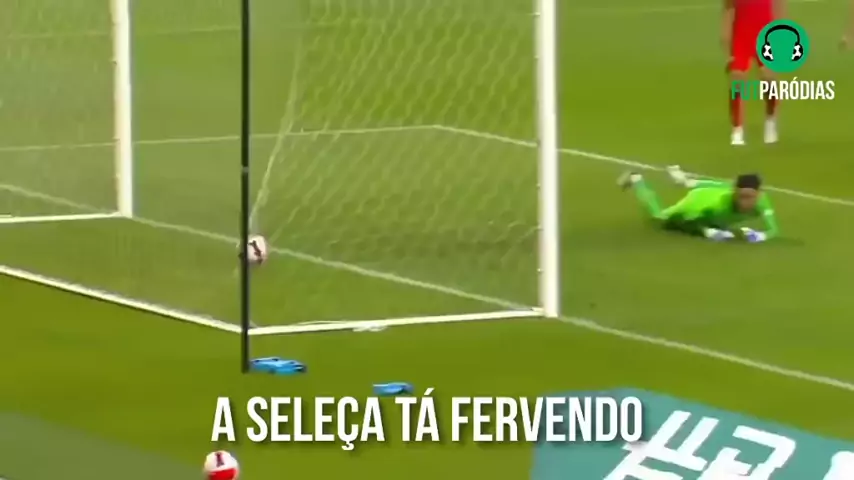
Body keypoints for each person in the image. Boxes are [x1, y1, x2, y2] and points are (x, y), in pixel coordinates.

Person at [618, 166, 779, 242]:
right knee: (658, 218)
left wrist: (762, 235)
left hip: (714, 206)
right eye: (742, 196)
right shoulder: (713, 204)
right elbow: (681, 221)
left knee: (719, 225)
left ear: (759, 194)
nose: (745, 202)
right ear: (735, 193)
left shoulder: (762, 201)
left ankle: (686, 181)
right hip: (698, 199)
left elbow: (774, 229)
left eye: (750, 197)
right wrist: (706, 231)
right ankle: (636, 179)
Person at [725, 0, 783, 145]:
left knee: (768, 78)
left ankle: (770, 121)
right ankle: (737, 129)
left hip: (766, 33)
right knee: (737, 79)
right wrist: (726, 36)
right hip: (741, 35)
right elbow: (727, 8)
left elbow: (778, 5)